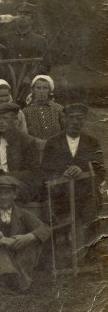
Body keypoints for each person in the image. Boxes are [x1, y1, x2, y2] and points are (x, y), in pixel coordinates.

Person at [41, 103, 105, 246]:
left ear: (84, 120)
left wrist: (82, 171)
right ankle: (64, 251)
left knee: (91, 210)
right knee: (58, 216)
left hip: (85, 193)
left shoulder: (92, 143)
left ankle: (90, 252)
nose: (75, 122)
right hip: (61, 194)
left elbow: (100, 172)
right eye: (72, 118)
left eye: (80, 119)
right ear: (65, 119)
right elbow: (45, 171)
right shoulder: (53, 142)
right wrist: (61, 173)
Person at [0, 176, 51, 292]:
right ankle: (6, 281)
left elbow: (45, 228)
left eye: (7, 193)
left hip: (18, 255)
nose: (3, 197)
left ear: (15, 195)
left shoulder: (23, 214)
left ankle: (20, 283)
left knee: (30, 243)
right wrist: (0, 240)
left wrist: (29, 237)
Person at [0, 102, 39, 202]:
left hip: (18, 183)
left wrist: (8, 176)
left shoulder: (27, 141)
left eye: (5, 118)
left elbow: (32, 172)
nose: (1, 122)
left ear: (16, 120)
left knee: (5, 191)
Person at [0, 2, 51, 102]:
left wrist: (30, 77)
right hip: (7, 85)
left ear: (32, 19)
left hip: (30, 86)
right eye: (20, 14)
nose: (22, 17)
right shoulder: (4, 38)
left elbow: (46, 64)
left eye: (26, 15)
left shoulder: (40, 40)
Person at [22, 75, 63, 141]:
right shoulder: (25, 112)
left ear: (49, 90)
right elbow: (24, 135)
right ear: (33, 90)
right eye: (38, 88)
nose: (41, 91)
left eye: (45, 88)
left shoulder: (58, 109)